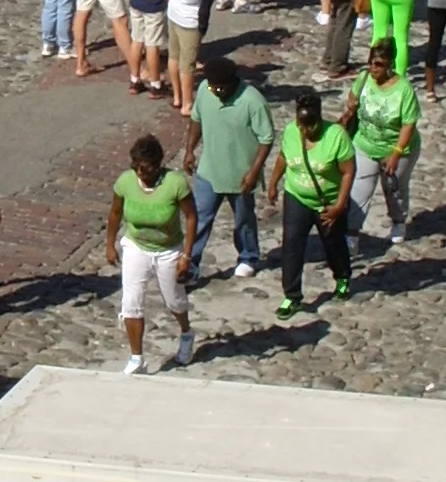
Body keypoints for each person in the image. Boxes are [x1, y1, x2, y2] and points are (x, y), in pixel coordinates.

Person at [105, 134, 196, 376]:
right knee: (131, 303)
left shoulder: (175, 183)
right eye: (136, 167)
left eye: (145, 168)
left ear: (158, 164)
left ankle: (186, 332)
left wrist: (186, 255)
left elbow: (190, 217)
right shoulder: (125, 182)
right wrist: (110, 244)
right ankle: (137, 358)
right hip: (136, 246)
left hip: (168, 250)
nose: (140, 173)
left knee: (173, 300)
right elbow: (115, 213)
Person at [184, 52, 272, 284]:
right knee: (200, 218)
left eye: (221, 88)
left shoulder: (253, 101)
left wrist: (254, 172)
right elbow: (196, 119)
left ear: (233, 81)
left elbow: (266, 139)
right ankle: (190, 263)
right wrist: (189, 150)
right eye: (214, 88)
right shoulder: (205, 90)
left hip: (240, 175)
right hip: (209, 171)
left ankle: (248, 256)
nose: (217, 92)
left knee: (243, 219)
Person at [267, 89, 354, 321]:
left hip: (328, 201)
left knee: (333, 244)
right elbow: (284, 157)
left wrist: (339, 205)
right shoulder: (290, 132)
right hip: (297, 196)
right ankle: (292, 295)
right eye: (301, 124)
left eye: (311, 125)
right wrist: (274, 182)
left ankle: (343, 276)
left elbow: (347, 172)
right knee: (292, 244)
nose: (306, 130)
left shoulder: (336, 136)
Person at [345, 37, 422, 246]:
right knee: (358, 191)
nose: (373, 68)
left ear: (389, 65)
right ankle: (351, 233)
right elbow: (352, 99)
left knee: (394, 189)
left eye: (378, 64)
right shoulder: (363, 78)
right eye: (370, 62)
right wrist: (351, 105)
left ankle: (398, 221)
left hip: (396, 148)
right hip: (365, 144)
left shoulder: (403, 90)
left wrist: (396, 153)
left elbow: (408, 124)